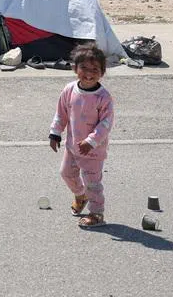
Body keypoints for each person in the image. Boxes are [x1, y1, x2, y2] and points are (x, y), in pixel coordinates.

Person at [49, 44, 115, 228]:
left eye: (95, 69)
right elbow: (61, 113)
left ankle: (97, 213)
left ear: (102, 72)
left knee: (93, 183)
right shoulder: (69, 90)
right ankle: (80, 195)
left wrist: (91, 141)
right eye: (84, 68)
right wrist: (55, 133)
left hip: (93, 151)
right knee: (66, 174)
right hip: (72, 146)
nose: (89, 73)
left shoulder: (103, 97)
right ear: (74, 68)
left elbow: (106, 124)